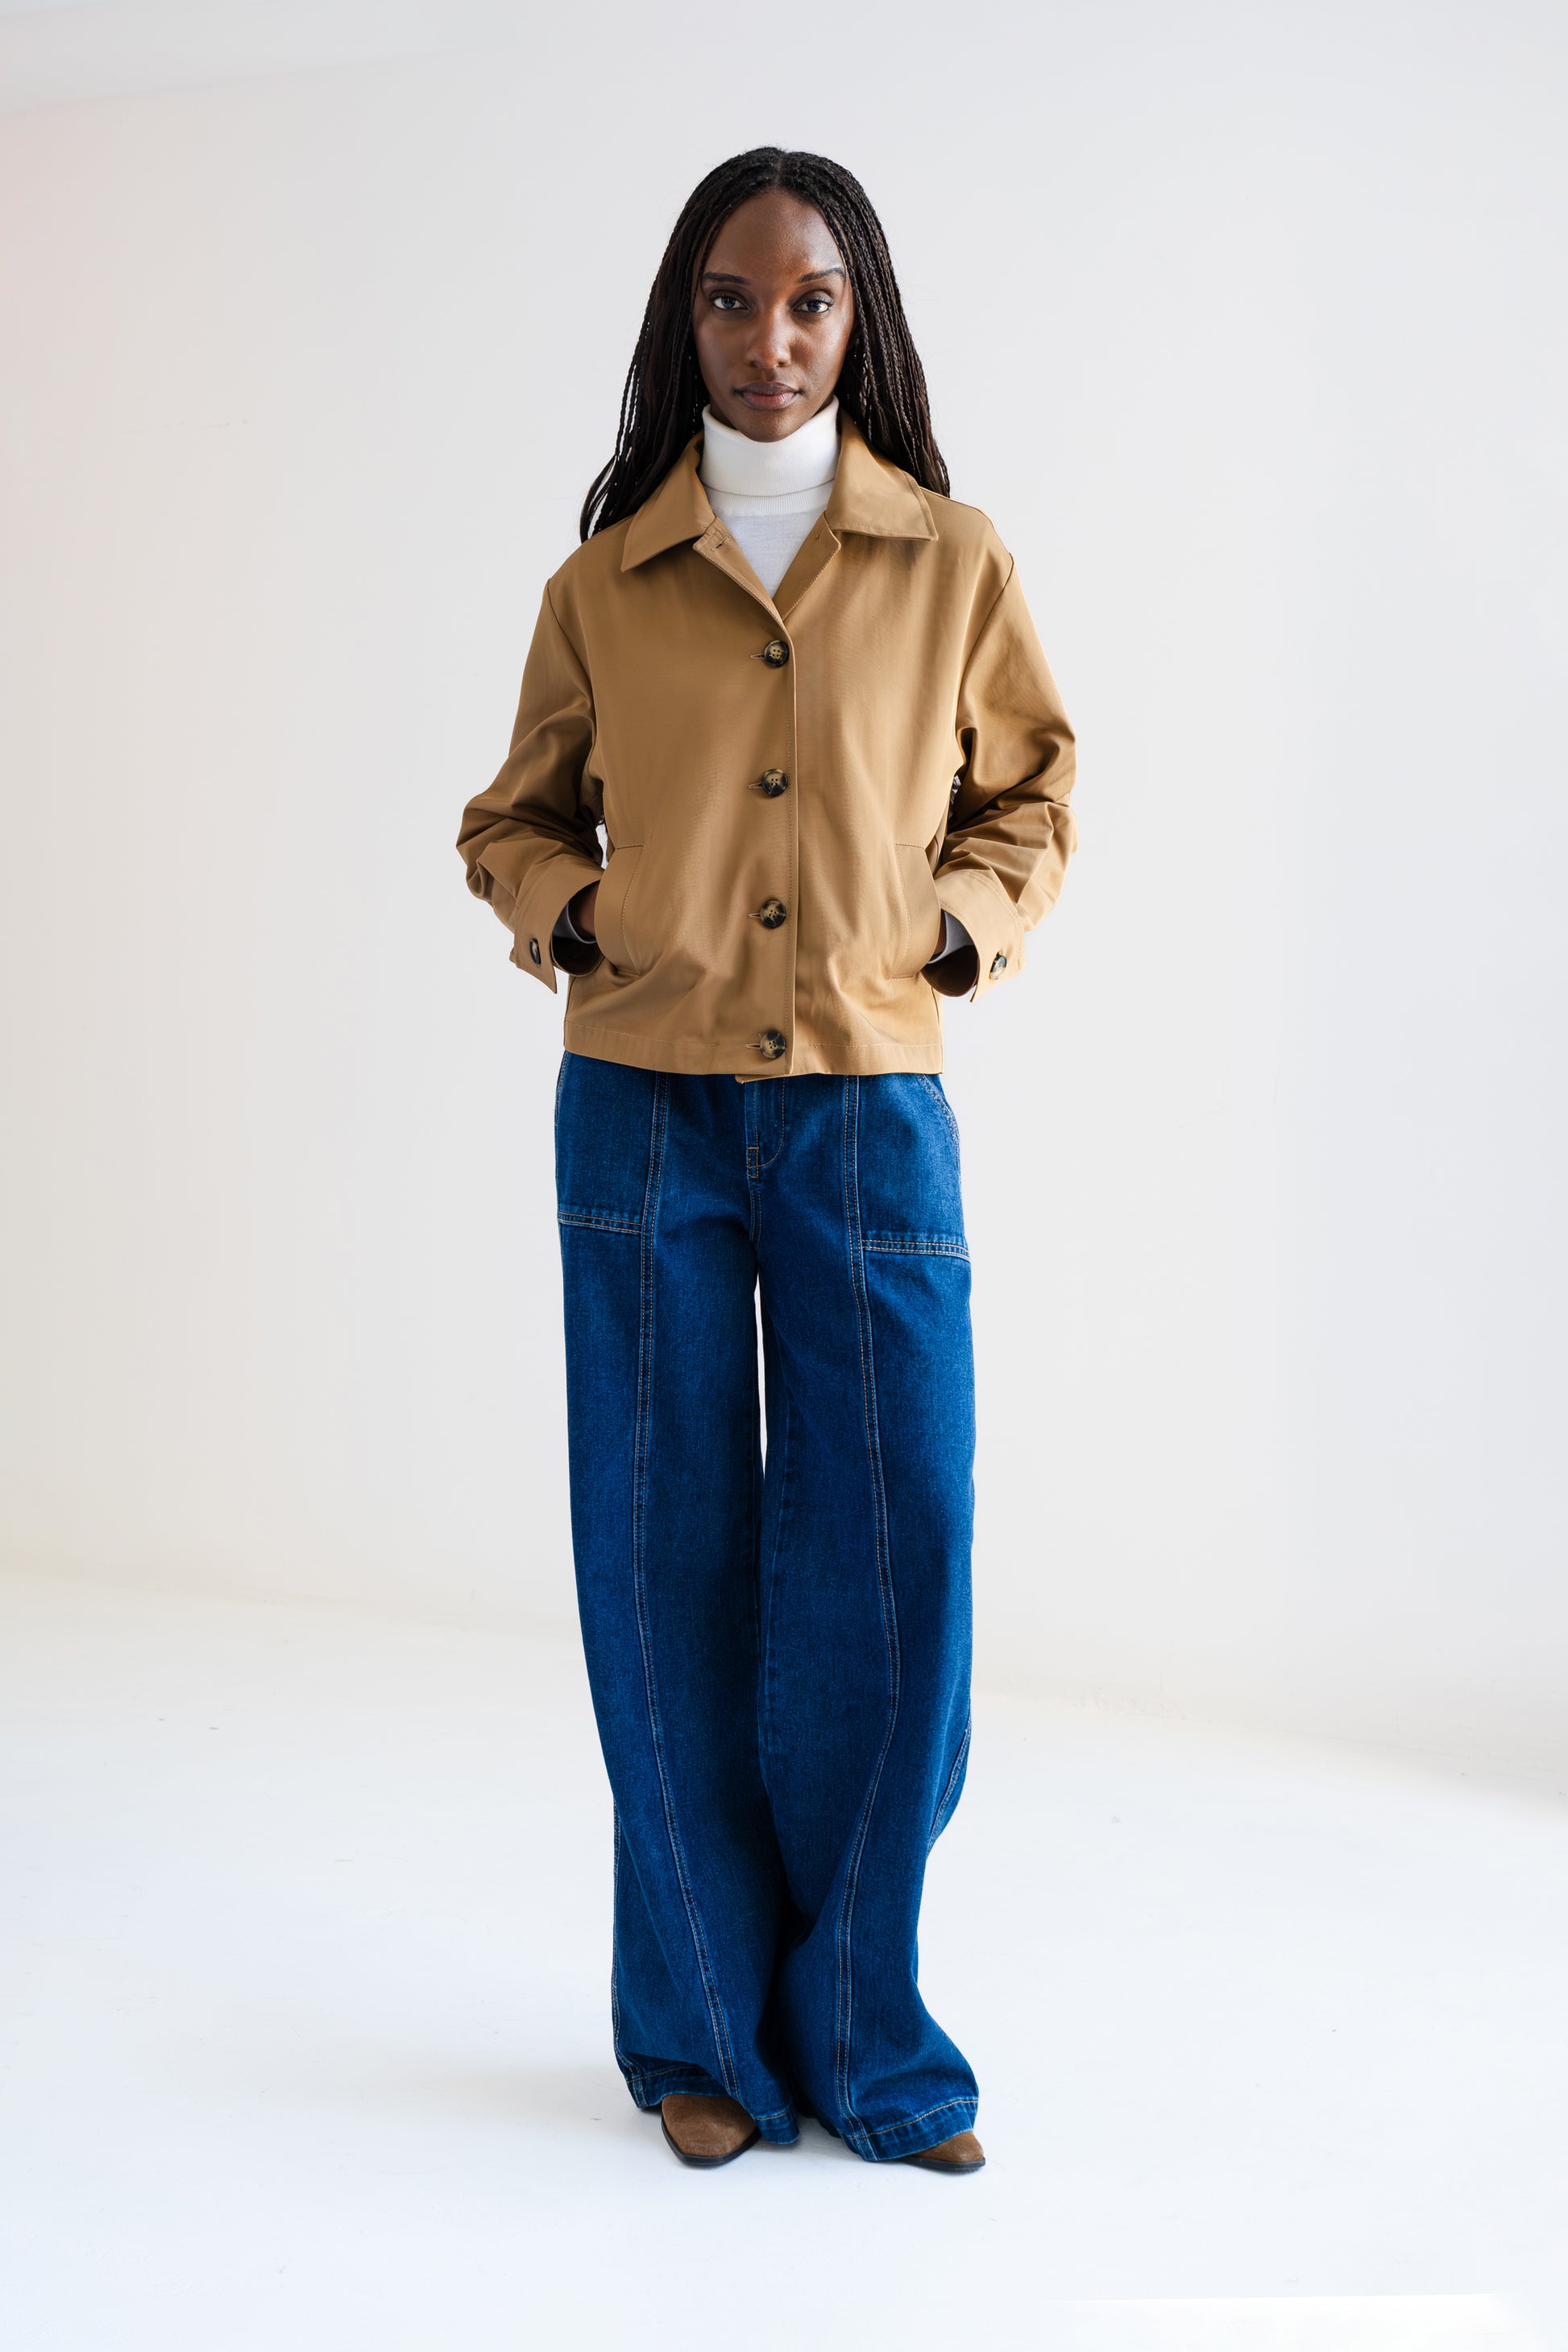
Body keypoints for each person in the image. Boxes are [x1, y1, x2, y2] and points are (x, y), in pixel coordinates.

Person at [458, 147, 1075, 2176]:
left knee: (901, 1549)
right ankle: (701, 2034)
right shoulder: (602, 583)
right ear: (684, 322)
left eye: (809, 300)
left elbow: (1032, 793)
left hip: (869, 1102)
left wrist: (952, 932)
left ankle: (868, 2036)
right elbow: (508, 819)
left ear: (857, 317)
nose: (771, 339)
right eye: (731, 300)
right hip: (640, 1105)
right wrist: (577, 916)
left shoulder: (951, 560)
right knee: (664, 1552)